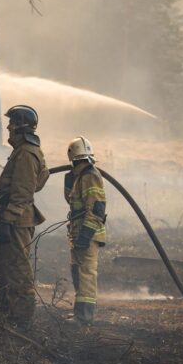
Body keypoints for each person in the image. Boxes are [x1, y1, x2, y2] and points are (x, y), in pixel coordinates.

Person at [0, 105, 50, 327]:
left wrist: (8, 217)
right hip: (15, 219)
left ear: (20, 126)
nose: (8, 126)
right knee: (7, 268)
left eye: (11, 122)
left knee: (17, 270)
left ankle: (22, 322)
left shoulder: (26, 152)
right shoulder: (26, 150)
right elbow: (41, 178)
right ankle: (9, 317)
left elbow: (23, 192)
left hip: (17, 221)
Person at [64, 136, 106, 325]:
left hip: (88, 234)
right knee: (77, 272)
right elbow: (74, 203)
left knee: (86, 274)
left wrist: (86, 235)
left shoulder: (90, 175)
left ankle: (85, 317)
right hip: (78, 233)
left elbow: (97, 208)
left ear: (72, 156)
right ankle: (79, 313)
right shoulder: (79, 176)